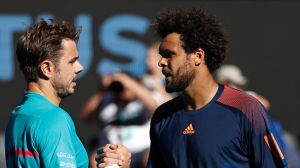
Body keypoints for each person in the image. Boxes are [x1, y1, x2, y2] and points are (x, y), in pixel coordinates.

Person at [145, 8, 288, 167]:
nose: (161, 62)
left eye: (169, 54)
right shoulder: (162, 117)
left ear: (198, 57)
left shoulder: (246, 109)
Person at [5, 19, 130, 168]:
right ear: (47, 68)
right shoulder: (54, 119)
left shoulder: (17, 117)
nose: (80, 67)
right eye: (72, 61)